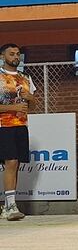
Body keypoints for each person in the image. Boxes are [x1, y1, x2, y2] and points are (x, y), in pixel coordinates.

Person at [0, 44, 36, 221]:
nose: (15, 56)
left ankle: (9, 204)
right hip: (3, 126)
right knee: (11, 161)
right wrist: (13, 107)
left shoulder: (25, 78)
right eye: (11, 53)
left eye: (18, 54)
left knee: (16, 165)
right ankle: (11, 206)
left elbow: (33, 106)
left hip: (21, 125)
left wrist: (31, 99)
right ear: (2, 56)